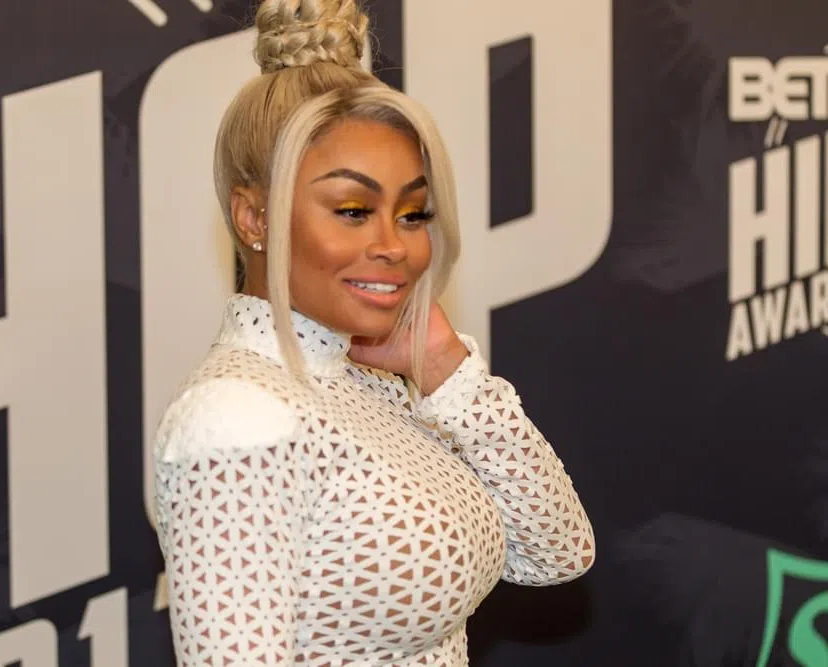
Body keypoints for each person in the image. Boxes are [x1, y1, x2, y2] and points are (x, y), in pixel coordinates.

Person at [152, 1, 595, 664]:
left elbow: (557, 549)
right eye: (354, 210)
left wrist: (444, 363)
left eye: (413, 213)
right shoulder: (234, 418)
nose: (395, 245)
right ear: (253, 218)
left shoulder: (370, 382)